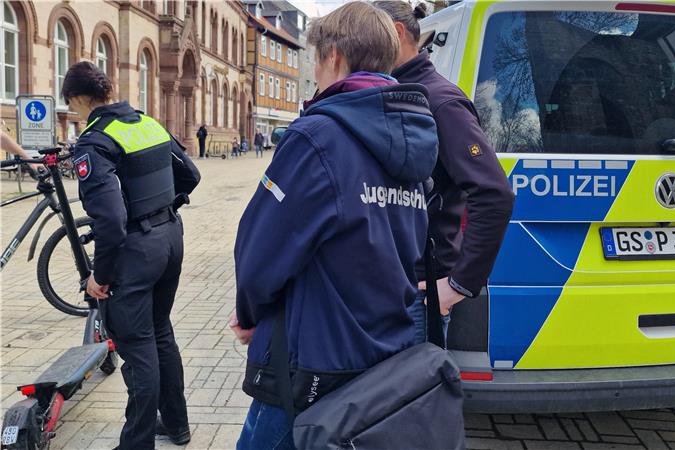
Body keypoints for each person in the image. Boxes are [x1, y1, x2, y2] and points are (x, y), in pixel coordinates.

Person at [229, 3, 438, 449]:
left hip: (311, 364)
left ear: (335, 57)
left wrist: (248, 314)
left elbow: (261, 248)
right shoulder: (416, 135)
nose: (316, 74)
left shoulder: (317, 137)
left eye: (316, 60)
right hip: (387, 354)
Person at [61, 61, 201, 450]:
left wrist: (99, 277)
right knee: (160, 334)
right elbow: (191, 175)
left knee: (138, 348)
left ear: (78, 98)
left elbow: (110, 220)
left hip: (136, 251)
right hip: (170, 237)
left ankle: (136, 443)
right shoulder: (146, 121)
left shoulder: (94, 142)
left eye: (71, 106)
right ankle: (177, 424)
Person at [375, 1, 515, 344]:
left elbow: (494, 193)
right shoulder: (392, 92)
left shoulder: (439, 101)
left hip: (419, 296)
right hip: (389, 289)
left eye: (367, 36)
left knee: (413, 397)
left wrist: (458, 285)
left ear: (395, 33)